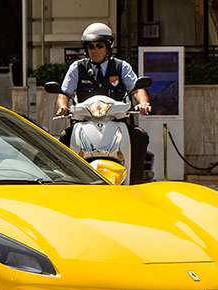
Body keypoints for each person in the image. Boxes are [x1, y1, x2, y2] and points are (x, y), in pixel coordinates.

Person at [54, 22, 151, 184]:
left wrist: (143, 103)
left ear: (107, 47)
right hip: (84, 122)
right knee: (64, 137)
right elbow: (64, 93)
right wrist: (63, 107)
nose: (95, 50)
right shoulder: (77, 68)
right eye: (91, 46)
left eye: (99, 46)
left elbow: (137, 89)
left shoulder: (121, 67)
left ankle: (135, 183)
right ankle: (65, 183)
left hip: (116, 121)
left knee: (140, 136)